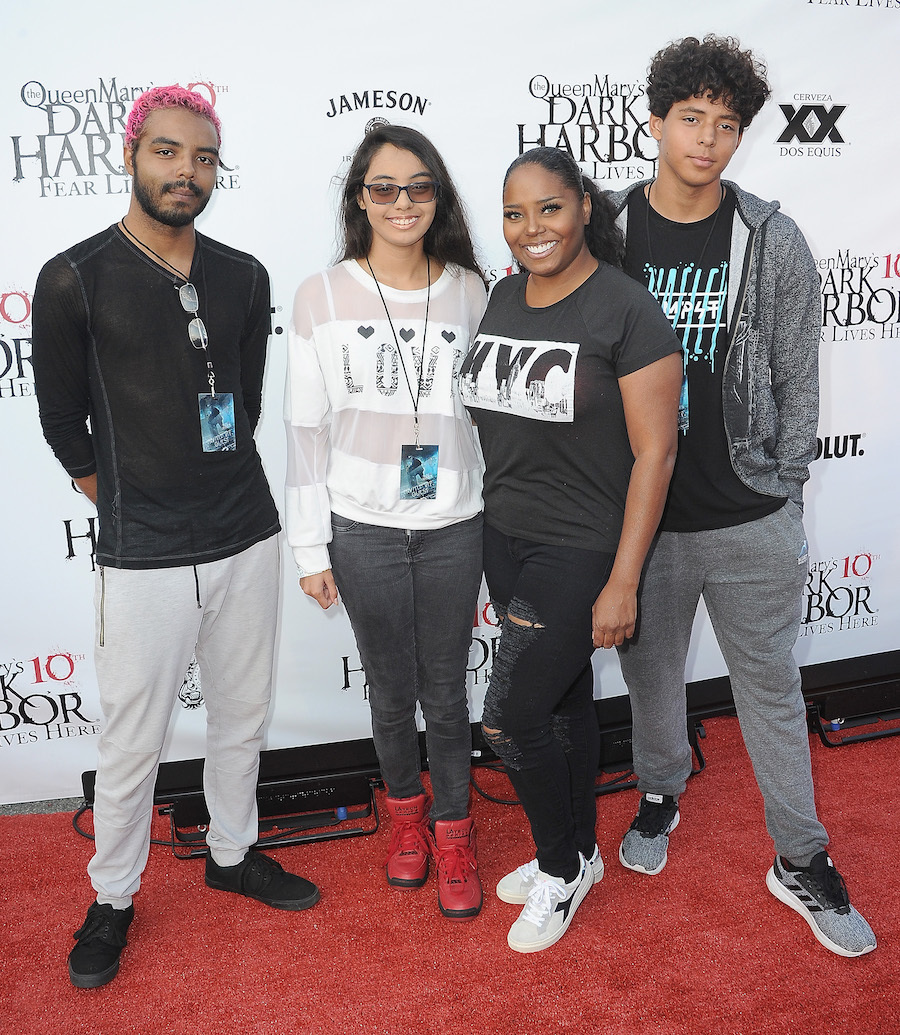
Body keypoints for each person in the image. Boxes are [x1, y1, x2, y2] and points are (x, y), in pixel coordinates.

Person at [32, 86, 320, 990]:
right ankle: (114, 895)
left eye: (201, 158)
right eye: (167, 153)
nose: (184, 172)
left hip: (245, 529)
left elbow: (246, 395)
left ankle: (232, 853)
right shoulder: (74, 275)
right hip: (144, 546)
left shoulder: (245, 273)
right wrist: (126, 495)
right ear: (132, 155)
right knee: (131, 738)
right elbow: (63, 421)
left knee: (243, 713)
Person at [608, 35, 876, 958]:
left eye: (727, 125)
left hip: (752, 514)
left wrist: (786, 488)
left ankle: (801, 856)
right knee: (650, 680)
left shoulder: (772, 236)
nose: (709, 140)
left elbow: (801, 377)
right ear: (654, 123)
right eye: (693, 119)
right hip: (643, 521)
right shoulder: (606, 232)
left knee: (771, 688)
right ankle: (656, 791)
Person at [459, 147, 682, 953]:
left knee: (509, 716)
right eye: (515, 214)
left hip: (583, 540)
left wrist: (623, 579)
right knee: (559, 704)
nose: (531, 229)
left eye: (549, 208)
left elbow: (656, 453)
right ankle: (583, 852)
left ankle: (559, 865)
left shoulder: (626, 308)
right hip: (504, 530)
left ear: (585, 205)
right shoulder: (501, 296)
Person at [285, 125, 487, 920]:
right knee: (391, 690)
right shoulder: (320, 295)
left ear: (438, 196)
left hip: (454, 521)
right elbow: (303, 429)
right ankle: (405, 819)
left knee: (446, 691)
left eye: (419, 187)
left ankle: (454, 831)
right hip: (359, 523)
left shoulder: (472, 289)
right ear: (359, 198)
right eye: (384, 188)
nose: (402, 203)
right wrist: (309, 544)